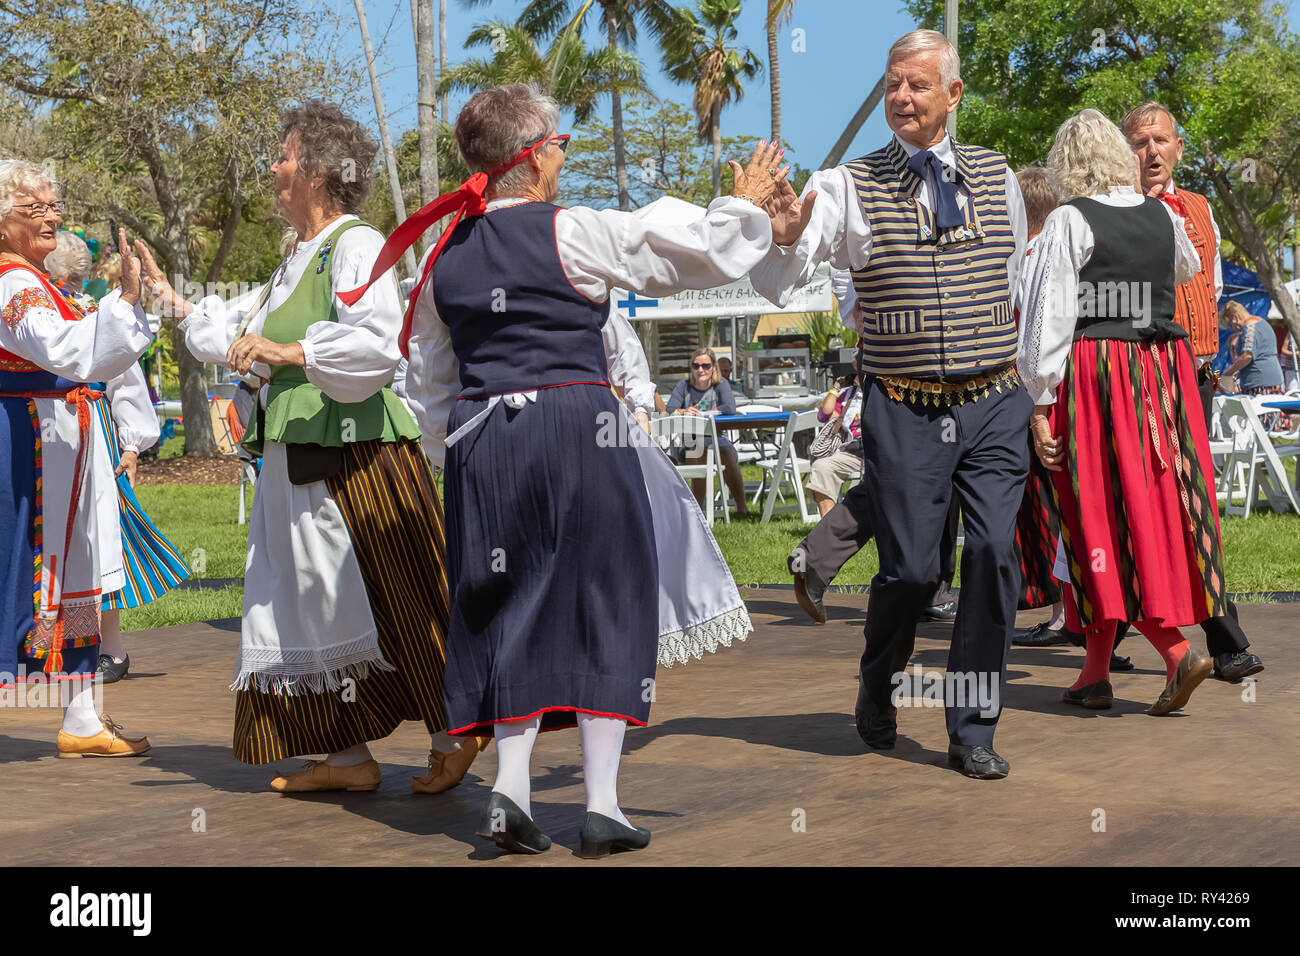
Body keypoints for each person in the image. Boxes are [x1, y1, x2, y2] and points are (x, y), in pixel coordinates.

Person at [391, 83, 770, 855]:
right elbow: (683, 255)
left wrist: (460, 455)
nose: (565, 155)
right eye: (559, 143)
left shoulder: (442, 259)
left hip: (482, 436)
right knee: (610, 596)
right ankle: (601, 803)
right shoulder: (574, 230)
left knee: (507, 603)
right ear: (531, 160)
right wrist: (742, 206)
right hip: (578, 423)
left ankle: (511, 787)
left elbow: (430, 383)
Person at [151, 100, 485, 794]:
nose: (274, 167)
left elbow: (377, 343)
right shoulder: (294, 259)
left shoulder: (354, 244)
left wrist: (289, 348)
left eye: (283, 155)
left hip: (358, 456)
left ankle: (459, 731)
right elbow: (239, 331)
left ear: (319, 171)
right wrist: (173, 303)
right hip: (297, 454)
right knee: (310, 600)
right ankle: (347, 755)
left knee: (400, 591)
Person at [753, 29, 1030, 779]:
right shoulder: (846, 185)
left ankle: (972, 727)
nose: (901, 97)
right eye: (891, 85)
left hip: (996, 397)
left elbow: (1018, 289)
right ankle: (878, 681)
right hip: (905, 405)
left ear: (953, 95)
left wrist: (1039, 392)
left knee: (997, 554)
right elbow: (782, 281)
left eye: (916, 85)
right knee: (911, 573)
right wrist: (783, 238)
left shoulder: (998, 175)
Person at [1018, 108, 1226, 715]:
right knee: (1144, 507)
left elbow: (1049, 323)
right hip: (1162, 373)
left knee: (1097, 515)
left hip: (1097, 374)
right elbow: (1187, 268)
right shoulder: (1162, 214)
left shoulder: (1068, 221)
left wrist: (1038, 404)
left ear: (1066, 165)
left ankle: (1174, 647)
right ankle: (1093, 674)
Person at [0, 160, 154, 756]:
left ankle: (83, 714)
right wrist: (123, 305)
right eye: (34, 208)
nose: (52, 216)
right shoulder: (12, 285)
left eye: (53, 205)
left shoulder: (42, 283)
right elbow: (66, 349)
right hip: (27, 446)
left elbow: (99, 356)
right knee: (26, 569)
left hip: (66, 445)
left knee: (77, 576)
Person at [1122, 101, 1264, 682]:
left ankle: (1101, 637)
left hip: (1198, 377)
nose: (1150, 151)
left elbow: (1213, 287)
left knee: (1189, 502)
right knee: (1172, 503)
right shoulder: (1119, 213)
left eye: (1159, 140)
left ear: (1179, 147)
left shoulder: (1203, 209)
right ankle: (1222, 641)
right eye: (1137, 143)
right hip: (1148, 376)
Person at [45, 231, 191, 683]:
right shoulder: (37, 312)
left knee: (100, 537)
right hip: (48, 436)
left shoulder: (95, 314)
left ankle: (107, 649)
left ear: (63, 275)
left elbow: (127, 384)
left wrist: (131, 447)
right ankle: (50, 646)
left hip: (92, 433)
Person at [785, 272, 960, 627]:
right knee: (939, 469)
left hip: (895, 354)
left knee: (908, 475)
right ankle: (930, 591)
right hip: (918, 356)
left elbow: (848, 293)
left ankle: (818, 559)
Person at [665, 345, 748, 516]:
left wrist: (705, 413)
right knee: (699, 452)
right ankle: (698, 511)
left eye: (705, 366)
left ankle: (741, 507)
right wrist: (683, 411)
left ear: (713, 367)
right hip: (690, 440)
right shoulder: (683, 386)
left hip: (716, 437)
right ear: (691, 368)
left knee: (728, 453)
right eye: (696, 366)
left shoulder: (721, 385)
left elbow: (730, 408)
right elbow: (669, 409)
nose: (700, 370)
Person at [1222, 300, 1285, 430]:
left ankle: (1263, 449)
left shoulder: (1249, 328)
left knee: (1261, 425)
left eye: (1230, 324)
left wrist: (1227, 373)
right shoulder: (1261, 322)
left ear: (1235, 317)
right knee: (1271, 424)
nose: (1231, 329)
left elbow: (1247, 356)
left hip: (1260, 382)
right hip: (1272, 379)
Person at [807, 374, 863, 517]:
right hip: (854, 451)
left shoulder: (888, 391)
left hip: (882, 451)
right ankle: (830, 530)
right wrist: (836, 387)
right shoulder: (849, 394)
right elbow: (823, 416)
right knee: (821, 467)